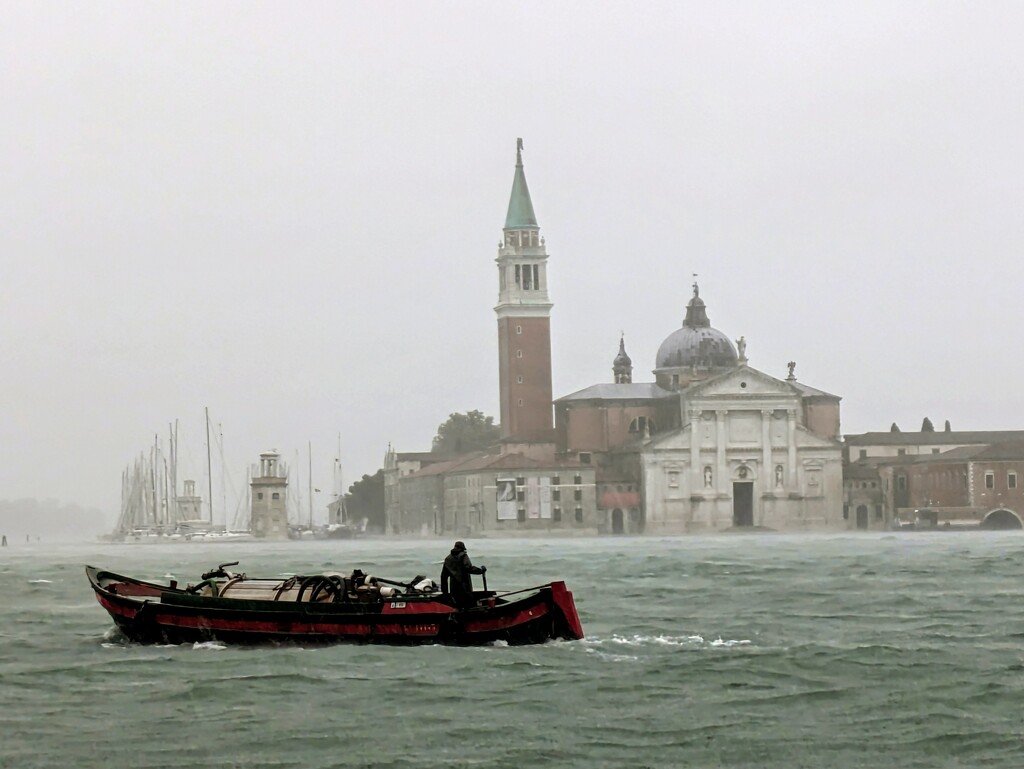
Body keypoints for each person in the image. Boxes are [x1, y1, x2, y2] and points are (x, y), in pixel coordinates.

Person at [440, 541, 486, 608]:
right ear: (462, 548)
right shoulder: (463, 556)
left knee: (457, 606)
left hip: (454, 589)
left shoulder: (448, 559)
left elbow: (443, 577)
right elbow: (469, 568)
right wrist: (481, 570)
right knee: (468, 605)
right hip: (465, 587)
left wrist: (445, 594)